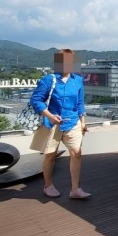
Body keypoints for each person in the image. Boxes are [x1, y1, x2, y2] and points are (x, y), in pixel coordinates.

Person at [30, 49, 91, 199]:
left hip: (73, 122)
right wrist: (50, 116)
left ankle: (75, 189)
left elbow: (80, 103)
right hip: (52, 124)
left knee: (76, 153)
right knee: (51, 156)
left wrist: (83, 122)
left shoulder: (77, 80)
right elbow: (36, 100)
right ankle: (48, 186)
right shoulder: (48, 80)